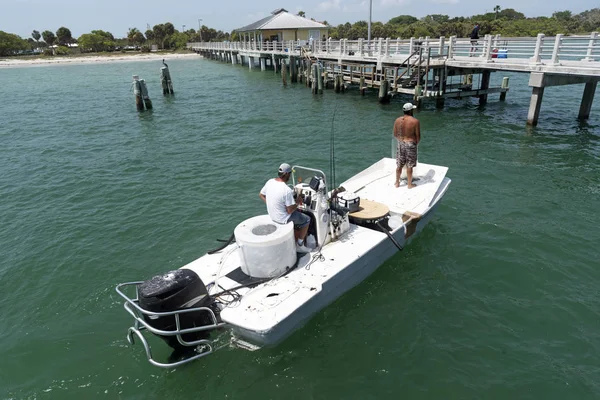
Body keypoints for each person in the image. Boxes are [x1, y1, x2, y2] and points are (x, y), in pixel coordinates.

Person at [259, 163, 311, 253]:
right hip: (283, 218)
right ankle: (300, 245)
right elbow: (290, 210)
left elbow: (261, 195)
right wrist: (298, 202)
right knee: (307, 220)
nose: (290, 176)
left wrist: (272, 204)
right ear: (286, 174)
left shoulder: (270, 182)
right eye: (290, 173)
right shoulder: (285, 190)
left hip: (272, 215)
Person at [393, 103, 421, 189]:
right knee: (410, 165)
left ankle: (397, 183)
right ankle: (409, 184)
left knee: (399, 165)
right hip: (410, 144)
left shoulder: (397, 120)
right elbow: (418, 136)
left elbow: (395, 134)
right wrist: (414, 144)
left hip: (401, 143)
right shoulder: (415, 121)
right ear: (411, 110)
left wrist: (402, 141)